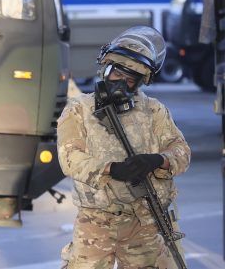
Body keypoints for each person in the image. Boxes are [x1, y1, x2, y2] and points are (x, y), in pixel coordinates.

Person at [57, 26, 191, 268]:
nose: (122, 83)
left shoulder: (154, 110)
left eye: (131, 80)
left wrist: (157, 160)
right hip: (96, 222)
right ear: (105, 69)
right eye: (118, 74)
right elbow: (70, 158)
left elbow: (181, 150)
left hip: (145, 221)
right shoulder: (79, 109)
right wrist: (112, 169)